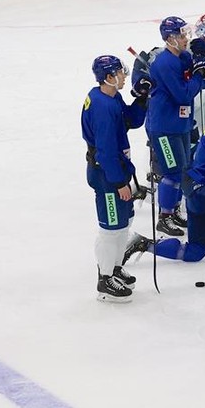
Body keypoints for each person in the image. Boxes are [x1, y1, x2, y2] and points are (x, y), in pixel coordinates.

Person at [82, 55, 151, 302]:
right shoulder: (102, 107)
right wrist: (119, 182)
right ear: (109, 77)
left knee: (125, 220)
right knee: (111, 228)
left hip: (117, 170)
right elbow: (106, 150)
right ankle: (105, 278)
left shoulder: (111, 96)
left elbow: (129, 121)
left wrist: (141, 99)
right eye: (120, 73)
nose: (124, 76)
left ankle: (114, 266)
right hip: (107, 175)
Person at [125, 117, 205, 266]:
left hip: (195, 188)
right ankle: (165, 214)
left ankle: (145, 244)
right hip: (203, 192)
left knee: (196, 251)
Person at [146, 17, 205, 238]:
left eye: (186, 35)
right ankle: (164, 217)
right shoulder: (164, 64)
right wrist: (197, 73)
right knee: (173, 172)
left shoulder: (184, 56)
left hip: (181, 124)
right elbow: (184, 94)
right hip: (164, 126)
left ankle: (173, 210)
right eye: (181, 36)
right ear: (169, 39)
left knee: (183, 170)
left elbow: (204, 83)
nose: (186, 39)